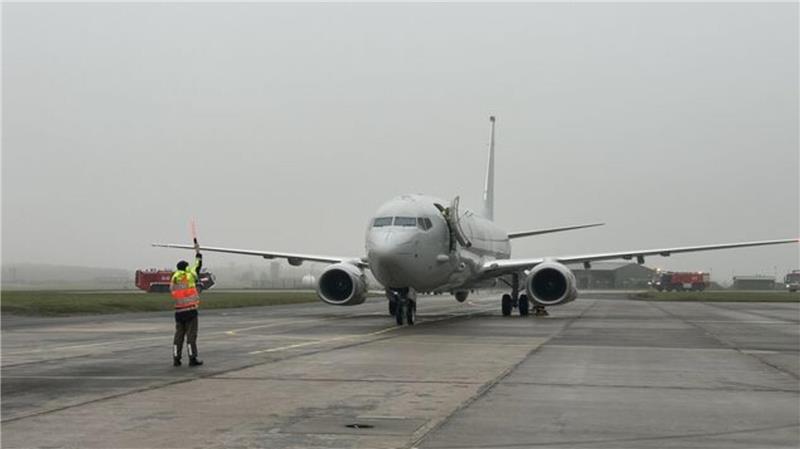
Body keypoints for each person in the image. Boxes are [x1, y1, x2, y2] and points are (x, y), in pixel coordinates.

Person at [170, 252, 204, 367]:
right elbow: (197, 266)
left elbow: (174, 291)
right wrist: (199, 255)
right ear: (186, 267)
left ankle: (176, 358)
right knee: (191, 336)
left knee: (178, 336)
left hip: (179, 311)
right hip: (190, 310)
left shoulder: (174, 278)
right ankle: (192, 358)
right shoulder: (189, 276)